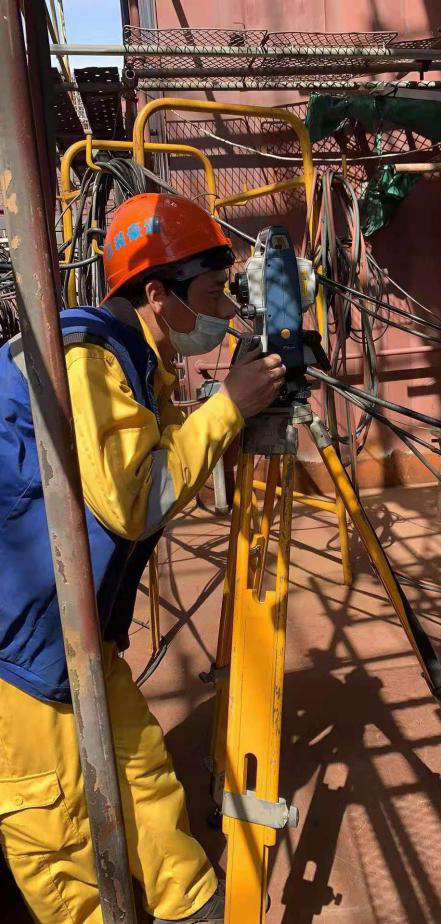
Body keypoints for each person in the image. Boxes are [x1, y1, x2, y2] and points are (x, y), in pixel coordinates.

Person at [0, 193, 286, 923]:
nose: (225, 309)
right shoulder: (86, 357)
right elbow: (131, 499)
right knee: (52, 821)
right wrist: (229, 407)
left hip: (76, 628)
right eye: (213, 293)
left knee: (139, 767)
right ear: (157, 295)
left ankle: (188, 904)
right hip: (21, 646)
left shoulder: (129, 356)